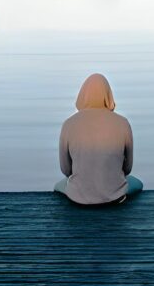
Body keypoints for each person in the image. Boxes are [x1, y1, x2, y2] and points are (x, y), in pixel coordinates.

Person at [55, 73, 143, 205]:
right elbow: (128, 168)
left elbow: (66, 170)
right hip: (115, 197)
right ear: (108, 95)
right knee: (137, 182)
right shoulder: (123, 123)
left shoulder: (68, 124)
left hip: (78, 198)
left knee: (58, 185)